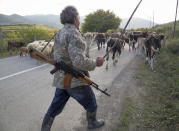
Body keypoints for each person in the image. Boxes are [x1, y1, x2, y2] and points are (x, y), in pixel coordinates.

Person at [41, 6, 105, 131]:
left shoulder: (59, 33)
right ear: (75, 19)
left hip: (61, 79)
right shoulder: (74, 34)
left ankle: (44, 128)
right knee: (91, 103)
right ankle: (92, 123)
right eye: (79, 18)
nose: (79, 21)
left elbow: (55, 55)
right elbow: (79, 61)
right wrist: (96, 63)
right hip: (75, 80)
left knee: (54, 107)